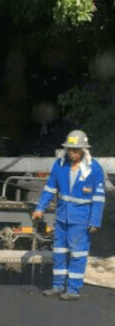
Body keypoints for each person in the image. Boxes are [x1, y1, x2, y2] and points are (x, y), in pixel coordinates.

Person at [31, 129, 107, 300]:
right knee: (59, 252)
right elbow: (49, 189)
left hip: (81, 219)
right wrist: (40, 208)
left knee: (78, 254)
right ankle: (57, 286)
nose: (73, 153)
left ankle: (73, 290)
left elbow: (99, 198)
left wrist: (95, 221)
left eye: (77, 149)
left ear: (83, 149)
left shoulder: (94, 169)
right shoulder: (59, 165)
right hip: (62, 217)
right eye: (70, 149)